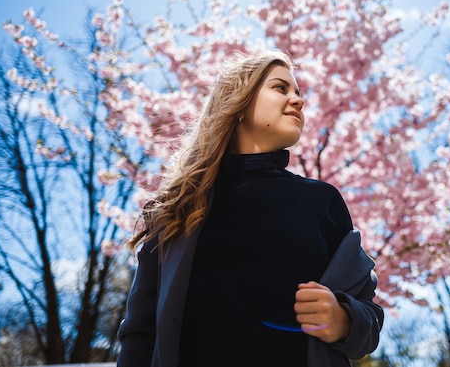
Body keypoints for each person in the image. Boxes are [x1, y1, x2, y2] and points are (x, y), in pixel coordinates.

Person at [116, 49, 384, 367]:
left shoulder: (321, 201)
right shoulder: (175, 212)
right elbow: (140, 334)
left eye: (298, 92)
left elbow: (369, 313)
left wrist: (343, 318)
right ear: (239, 104)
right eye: (280, 88)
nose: (298, 100)